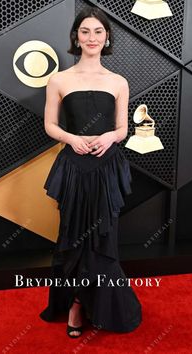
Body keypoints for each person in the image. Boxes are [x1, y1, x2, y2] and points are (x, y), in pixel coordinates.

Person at [39, 7, 142, 338]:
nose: (92, 37)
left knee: (103, 237)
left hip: (106, 166)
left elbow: (123, 128)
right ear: (76, 37)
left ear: (107, 36)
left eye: (98, 31)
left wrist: (110, 136)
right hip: (73, 167)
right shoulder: (59, 80)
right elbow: (50, 125)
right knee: (71, 238)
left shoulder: (118, 82)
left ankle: (99, 305)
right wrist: (73, 138)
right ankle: (74, 306)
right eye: (85, 31)